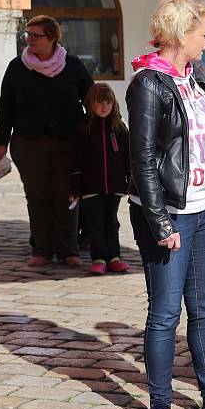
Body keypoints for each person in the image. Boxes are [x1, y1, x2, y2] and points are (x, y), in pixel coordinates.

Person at [126, 0, 205, 409]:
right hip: (168, 214)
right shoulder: (148, 84)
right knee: (164, 314)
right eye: (203, 32)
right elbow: (142, 161)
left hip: (203, 210)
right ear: (182, 35)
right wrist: (160, 223)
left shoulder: (198, 80)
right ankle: (159, 404)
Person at [0, 15, 94, 267]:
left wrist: (96, 133)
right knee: (37, 196)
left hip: (67, 142)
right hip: (28, 142)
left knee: (66, 196)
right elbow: (6, 107)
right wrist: (1, 142)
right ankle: (42, 249)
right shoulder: (18, 66)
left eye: (35, 36)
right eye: (27, 35)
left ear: (52, 38)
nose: (29, 40)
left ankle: (68, 249)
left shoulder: (73, 65)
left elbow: (91, 99)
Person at [69, 83, 131, 276]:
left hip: (114, 186)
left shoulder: (119, 129)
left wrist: (130, 179)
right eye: (100, 102)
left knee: (111, 221)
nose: (104, 106)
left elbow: (128, 157)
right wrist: (75, 187)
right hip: (91, 186)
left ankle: (114, 257)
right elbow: (76, 160)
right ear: (91, 103)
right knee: (95, 224)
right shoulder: (84, 129)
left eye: (108, 102)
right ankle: (99, 258)